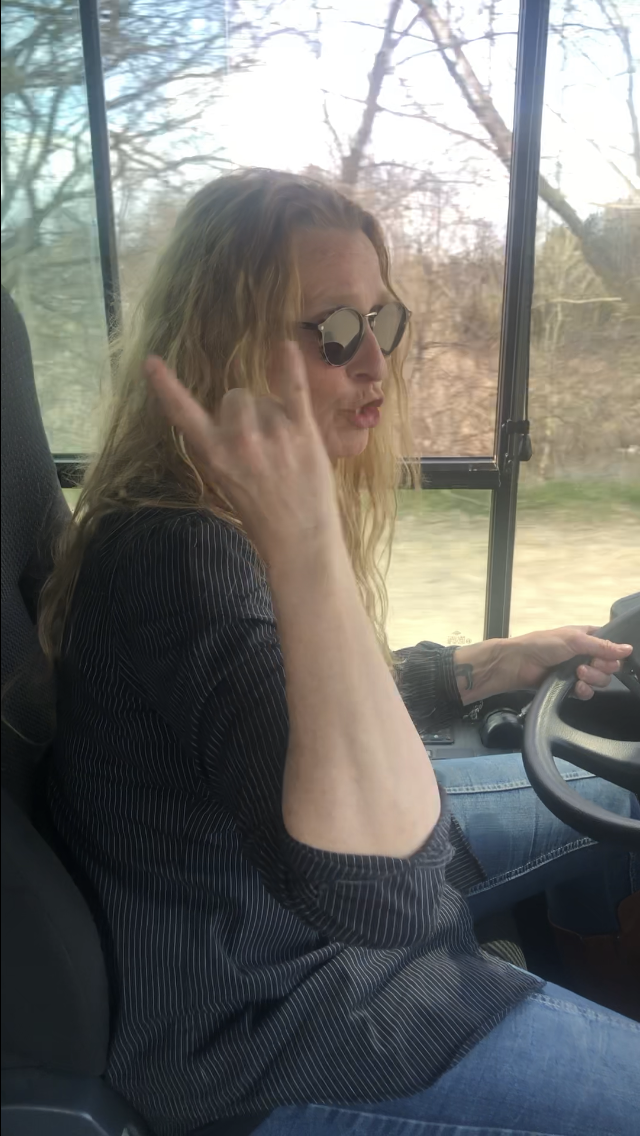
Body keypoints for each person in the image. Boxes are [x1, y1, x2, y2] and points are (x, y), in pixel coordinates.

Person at [40, 170, 639, 1136]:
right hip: (271, 1023)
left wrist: (484, 666)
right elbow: (391, 901)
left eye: (381, 320)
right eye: (334, 330)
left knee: (614, 795)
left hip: (308, 934)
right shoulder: (183, 554)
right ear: (227, 343)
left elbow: (299, 693)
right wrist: (310, 541)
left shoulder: (204, 527)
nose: (374, 362)